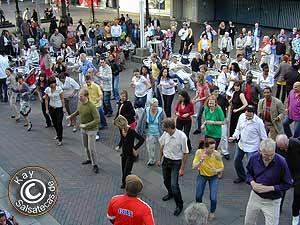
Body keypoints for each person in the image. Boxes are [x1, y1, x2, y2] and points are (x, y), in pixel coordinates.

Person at [244, 138, 292, 225]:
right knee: (248, 222)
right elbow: (248, 173)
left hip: (273, 201)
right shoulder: (254, 158)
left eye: (271, 154)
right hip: (255, 196)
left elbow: (288, 183)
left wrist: (270, 188)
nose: (269, 157)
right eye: (266, 155)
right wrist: (252, 183)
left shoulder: (281, 162)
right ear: (260, 151)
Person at [157, 118, 189, 216]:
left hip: (176, 163)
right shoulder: (166, 134)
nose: (163, 130)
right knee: (166, 180)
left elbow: (185, 153)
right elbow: (162, 146)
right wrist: (160, 159)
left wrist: (182, 169)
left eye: (164, 129)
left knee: (174, 185)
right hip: (166, 161)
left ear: (170, 128)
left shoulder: (182, 137)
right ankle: (170, 194)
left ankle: (179, 204)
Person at [229, 105, 267, 184]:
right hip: (241, 145)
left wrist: (262, 149)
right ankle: (242, 176)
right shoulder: (242, 116)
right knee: (236, 161)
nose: (247, 118)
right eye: (246, 115)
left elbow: (264, 137)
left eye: (249, 116)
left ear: (253, 114)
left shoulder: (259, 122)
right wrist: (234, 136)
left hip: (252, 148)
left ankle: (252, 179)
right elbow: (238, 129)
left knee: (251, 165)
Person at [67, 88, 100, 173]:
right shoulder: (80, 103)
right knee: (85, 146)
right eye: (79, 96)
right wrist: (71, 116)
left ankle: (95, 164)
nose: (79, 98)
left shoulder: (91, 106)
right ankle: (89, 159)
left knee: (91, 148)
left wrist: (86, 125)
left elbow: (97, 120)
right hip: (84, 129)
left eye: (81, 96)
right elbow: (78, 111)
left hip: (92, 130)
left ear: (86, 96)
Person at [192, 138, 224, 221]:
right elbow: (194, 167)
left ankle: (212, 212)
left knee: (213, 197)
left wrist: (216, 170)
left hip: (213, 177)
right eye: (211, 148)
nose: (214, 150)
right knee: (198, 195)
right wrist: (201, 160)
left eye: (214, 147)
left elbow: (222, 168)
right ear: (205, 148)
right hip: (202, 176)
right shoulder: (199, 152)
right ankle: (199, 209)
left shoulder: (216, 154)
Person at [113, 115, 144, 189]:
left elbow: (141, 140)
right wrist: (119, 145)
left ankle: (127, 184)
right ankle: (127, 182)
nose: (118, 128)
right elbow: (122, 139)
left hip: (130, 154)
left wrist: (134, 148)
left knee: (126, 172)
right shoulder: (122, 129)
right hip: (124, 153)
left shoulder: (131, 131)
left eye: (119, 126)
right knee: (124, 170)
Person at [276, 135, 300, 225]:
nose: (283, 149)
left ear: (288, 142)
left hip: (297, 174)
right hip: (284, 174)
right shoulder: (277, 147)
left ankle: (295, 215)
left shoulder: (297, 144)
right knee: (280, 192)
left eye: (284, 147)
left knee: (298, 195)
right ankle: (278, 208)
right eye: (280, 148)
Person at [137, 98, 166, 166]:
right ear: (150, 105)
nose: (155, 108)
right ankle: (152, 159)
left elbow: (165, 121)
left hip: (160, 132)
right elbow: (141, 120)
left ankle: (162, 159)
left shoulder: (161, 111)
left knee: (163, 147)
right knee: (150, 147)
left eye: (156, 106)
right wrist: (137, 130)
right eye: (153, 106)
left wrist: (166, 131)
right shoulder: (146, 110)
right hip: (150, 132)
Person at [45, 76, 66, 146]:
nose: (52, 85)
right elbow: (46, 99)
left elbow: (62, 99)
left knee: (59, 122)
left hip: (59, 108)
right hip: (52, 108)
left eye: (53, 83)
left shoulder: (59, 89)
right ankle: (58, 133)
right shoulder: (47, 90)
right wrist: (47, 109)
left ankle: (60, 139)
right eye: (51, 83)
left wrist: (64, 107)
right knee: (54, 123)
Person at [84, 74, 106, 141]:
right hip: (90, 105)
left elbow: (101, 95)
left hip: (97, 105)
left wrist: (98, 98)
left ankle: (97, 133)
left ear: (91, 80)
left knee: (97, 119)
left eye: (89, 82)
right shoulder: (85, 86)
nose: (88, 83)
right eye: (86, 82)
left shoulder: (96, 86)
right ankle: (96, 133)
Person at [211, 86, 230, 159]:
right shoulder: (210, 99)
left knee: (224, 136)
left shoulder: (222, 98)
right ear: (212, 92)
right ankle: (215, 150)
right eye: (215, 91)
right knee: (214, 136)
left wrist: (228, 116)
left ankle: (225, 151)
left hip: (222, 120)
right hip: (213, 120)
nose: (217, 93)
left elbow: (228, 106)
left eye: (218, 91)